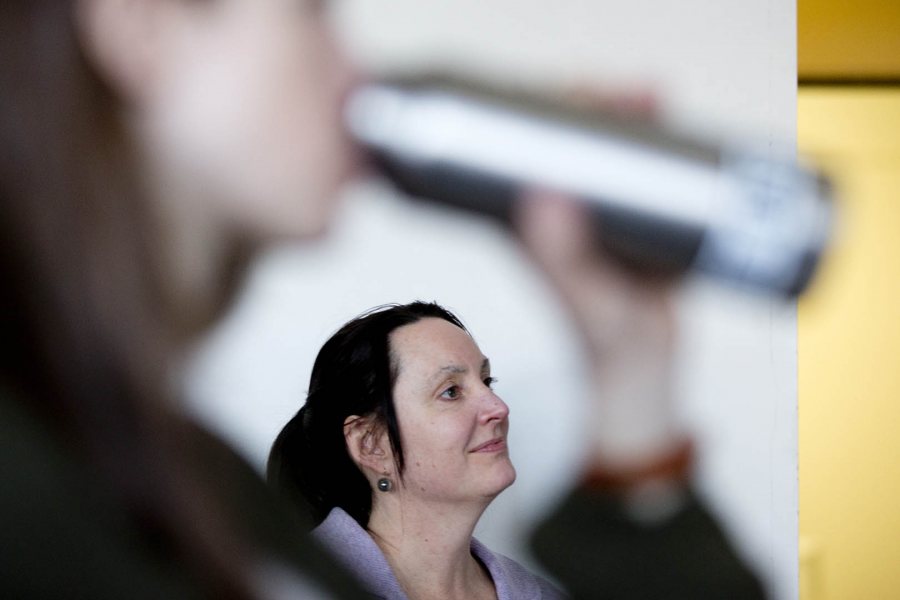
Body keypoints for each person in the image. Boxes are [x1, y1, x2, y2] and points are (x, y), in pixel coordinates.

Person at [1, 0, 365, 597]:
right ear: (141, 29)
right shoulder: (21, 490)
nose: (355, 76)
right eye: (310, 11)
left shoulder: (206, 478)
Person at [268, 301, 565, 600]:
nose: (499, 408)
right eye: (451, 391)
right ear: (371, 445)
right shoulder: (285, 586)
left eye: (487, 382)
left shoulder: (544, 594)